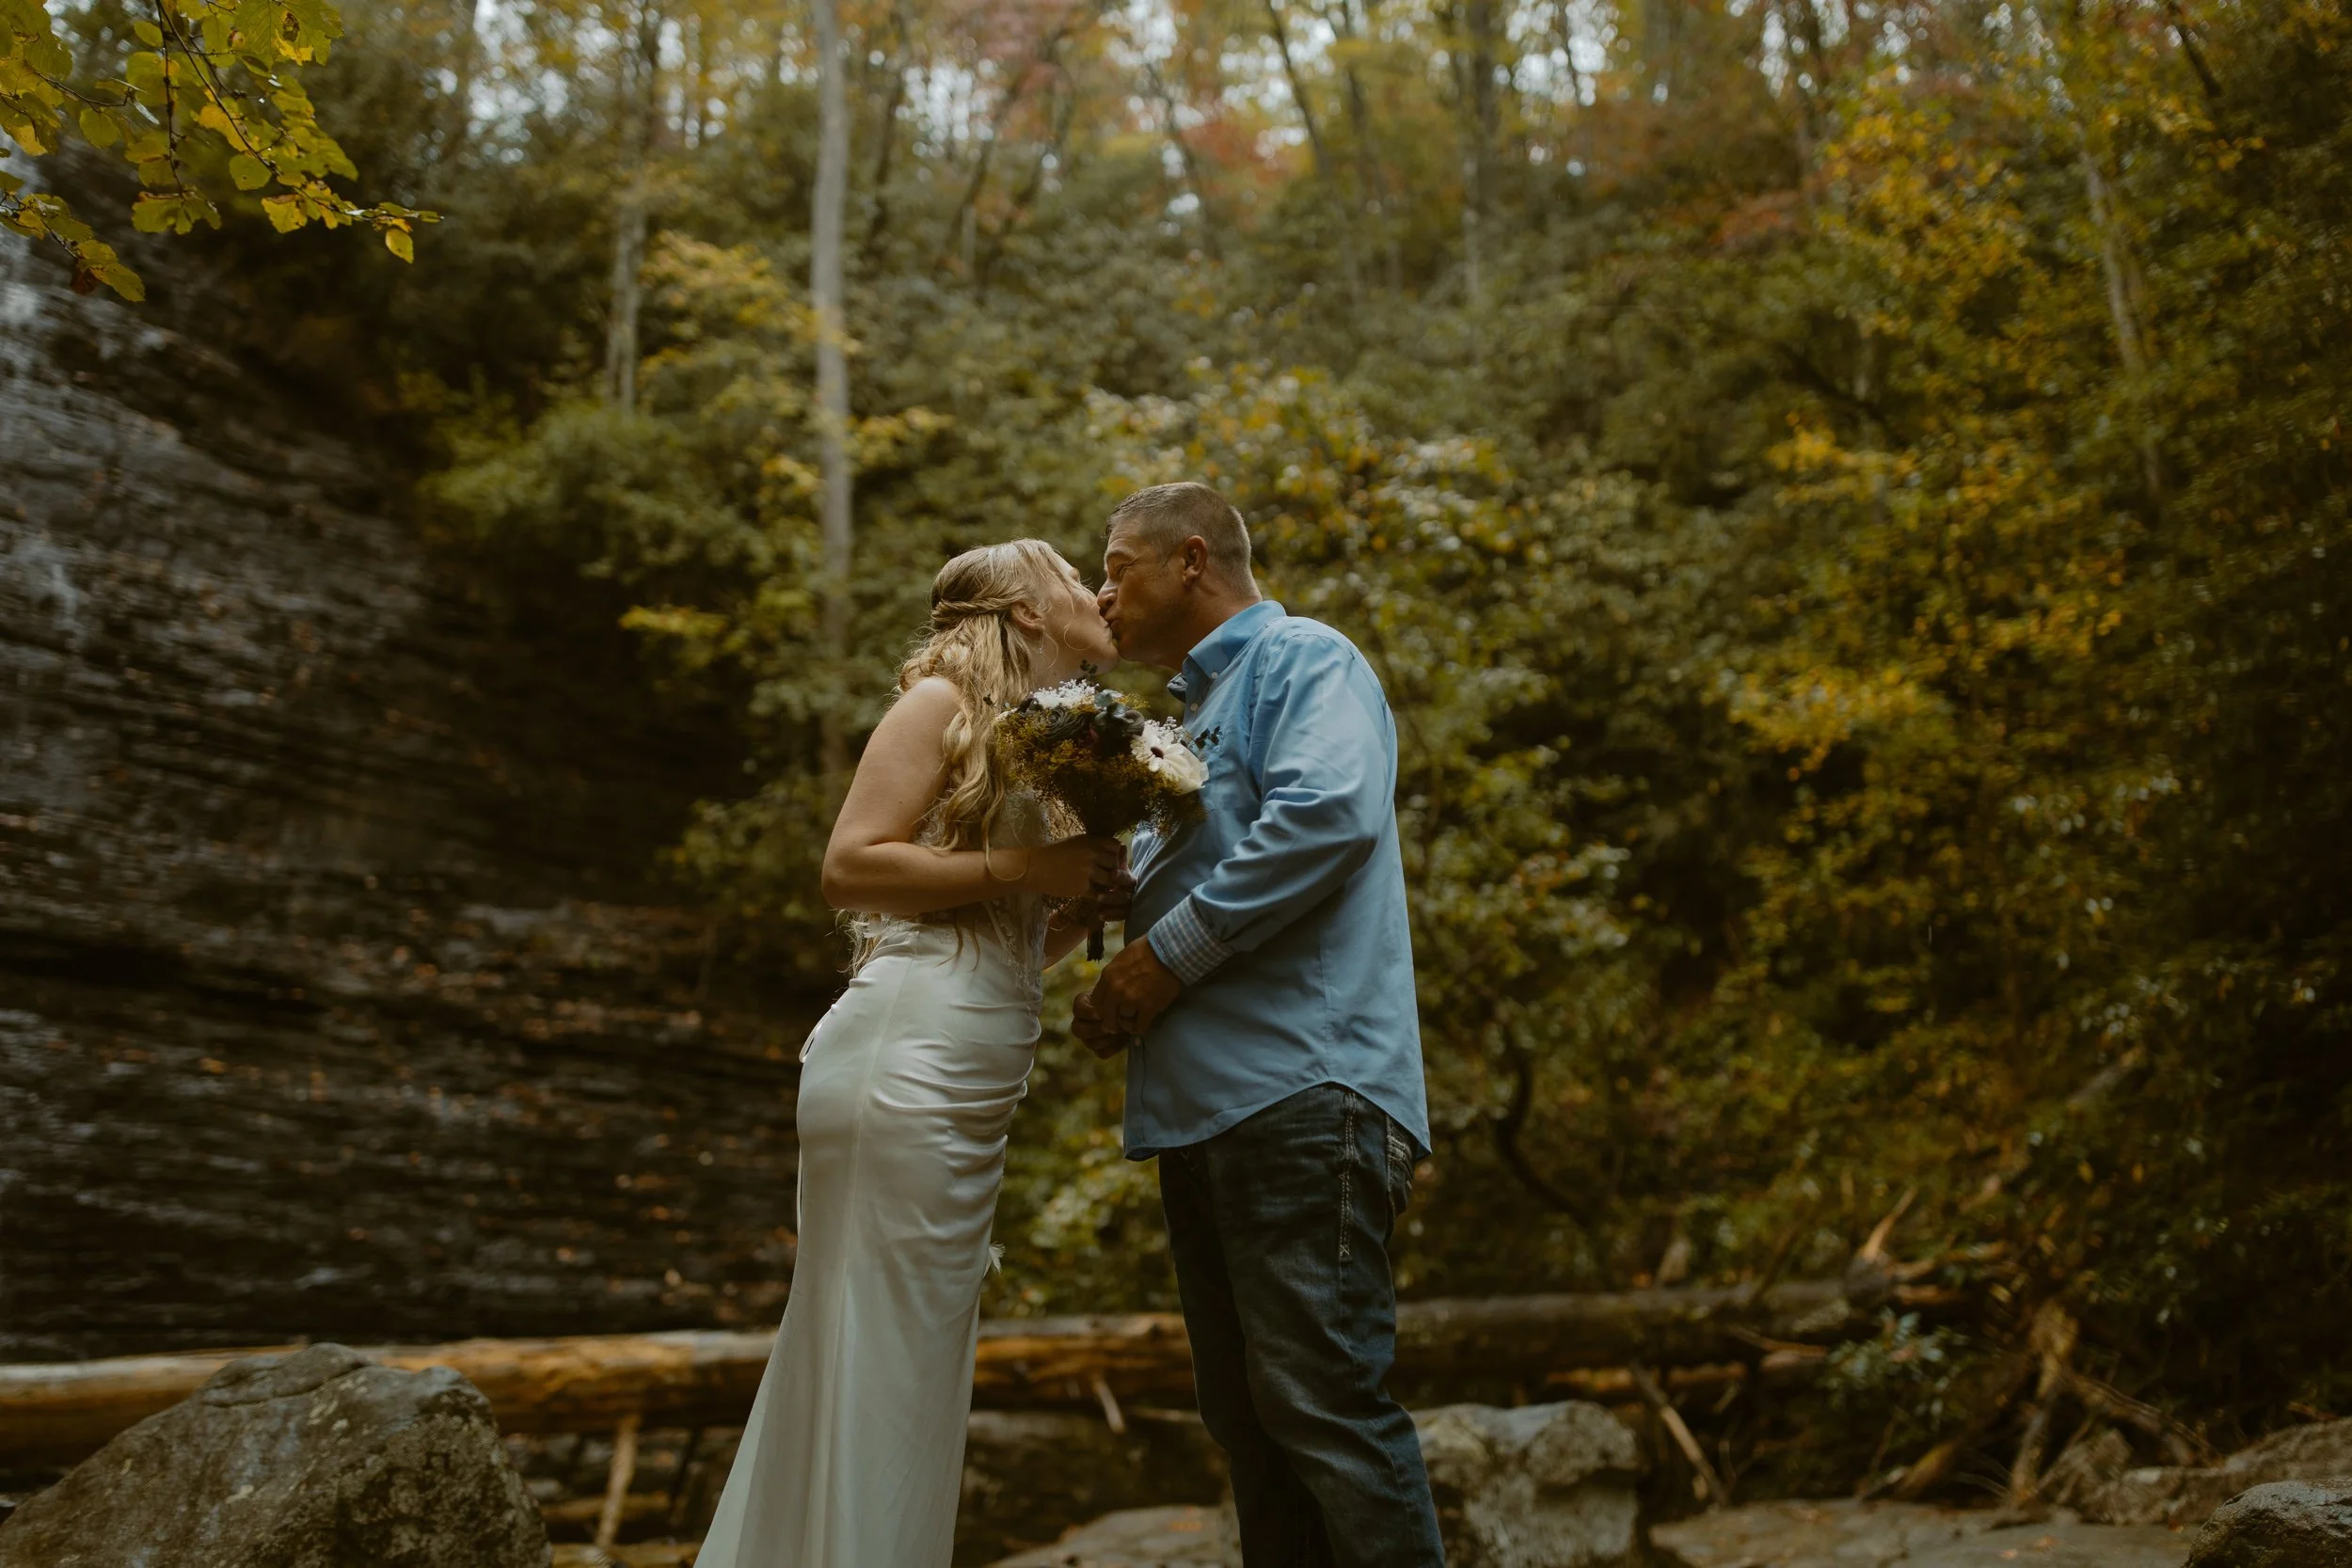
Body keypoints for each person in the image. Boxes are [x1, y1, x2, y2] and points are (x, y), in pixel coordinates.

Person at [695, 539, 1128, 1568]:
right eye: (1075, 576)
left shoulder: (1041, 736)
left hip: (969, 1066)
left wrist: (1075, 904)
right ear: (1025, 611)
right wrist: (1036, 862)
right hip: (906, 1060)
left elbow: (1004, 929)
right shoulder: (938, 703)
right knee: (879, 1359)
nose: (1096, 591)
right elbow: (851, 866)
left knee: (911, 1364)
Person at [1075, 482, 1444, 1567]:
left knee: (1321, 1401)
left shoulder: (1303, 659)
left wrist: (1162, 958)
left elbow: (1326, 814)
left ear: (1191, 559)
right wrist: (1110, 912)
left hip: (1301, 1090)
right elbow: (1206, 866)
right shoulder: (1185, 720)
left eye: (1115, 567)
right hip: (1204, 1113)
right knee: (1251, 1422)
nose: (1102, 594)